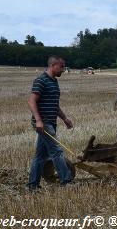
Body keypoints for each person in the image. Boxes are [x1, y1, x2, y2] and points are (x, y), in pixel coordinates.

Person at [27, 55, 74, 191]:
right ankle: (66, 182)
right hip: (43, 123)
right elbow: (31, 101)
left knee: (40, 156)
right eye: (61, 67)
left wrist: (64, 118)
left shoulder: (54, 82)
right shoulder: (40, 80)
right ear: (53, 65)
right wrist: (39, 121)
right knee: (57, 151)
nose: (63, 70)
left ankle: (32, 185)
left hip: (50, 122)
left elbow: (54, 105)